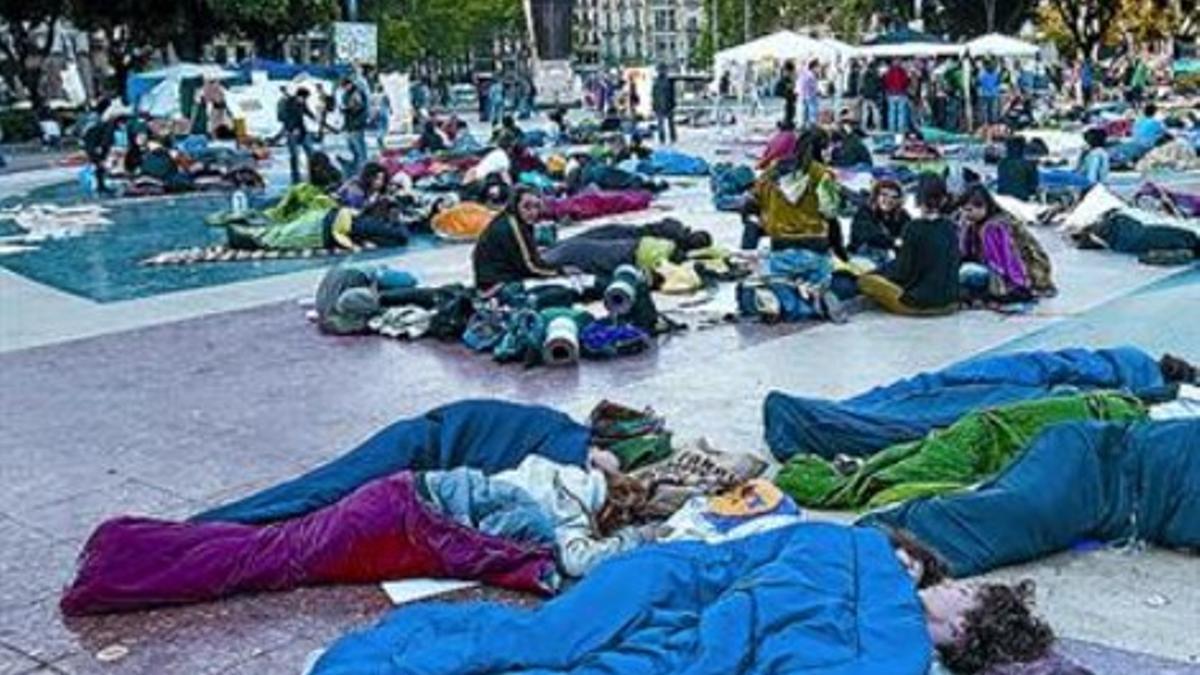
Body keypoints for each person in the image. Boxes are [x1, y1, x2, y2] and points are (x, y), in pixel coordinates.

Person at [857, 173, 960, 316]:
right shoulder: (951, 227)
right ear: (943, 200)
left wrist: (877, 273)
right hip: (951, 302)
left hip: (920, 304)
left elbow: (902, 271)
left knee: (865, 281)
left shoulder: (913, 228)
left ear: (917, 199)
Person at [742, 128, 844, 256]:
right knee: (833, 222)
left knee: (752, 219)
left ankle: (746, 255)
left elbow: (751, 202)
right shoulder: (822, 174)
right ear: (822, 150)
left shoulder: (773, 170)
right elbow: (830, 211)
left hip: (778, 240)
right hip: (813, 242)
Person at [958, 185, 1055, 303]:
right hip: (1012, 273)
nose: (965, 214)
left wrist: (1014, 286)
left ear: (983, 207)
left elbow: (1006, 263)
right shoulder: (977, 224)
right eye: (963, 209)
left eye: (969, 210)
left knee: (965, 273)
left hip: (1017, 276)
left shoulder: (993, 227)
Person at [472, 187, 562, 289]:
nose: (533, 212)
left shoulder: (512, 220)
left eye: (536, 206)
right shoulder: (513, 226)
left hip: (497, 279)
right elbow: (529, 266)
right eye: (526, 207)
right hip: (497, 285)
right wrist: (559, 271)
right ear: (515, 205)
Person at [849, 178, 909, 262]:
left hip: (889, 258)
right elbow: (869, 234)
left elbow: (910, 232)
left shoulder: (902, 215)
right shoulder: (864, 212)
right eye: (884, 195)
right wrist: (894, 242)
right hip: (862, 257)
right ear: (876, 196)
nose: (889, 200)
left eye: (894, 197)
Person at [280, 87, 316, 184]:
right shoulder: (288, 103)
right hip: (292, 132)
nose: (304, 100)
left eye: (305, 99)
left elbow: (306, 110)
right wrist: (292, 129)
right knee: (294, 155)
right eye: (304, 98)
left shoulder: (302, 102)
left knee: (311, 152)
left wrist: (313, 116)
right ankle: (295, 177)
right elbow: (285, 117)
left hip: (302, 130)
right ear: (298, 96)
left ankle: (313, 173)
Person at [339, 76, 370, 177]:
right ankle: (358, 168)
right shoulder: (346, 94)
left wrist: (347, 109)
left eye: (345, 86)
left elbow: (358, 107)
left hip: (357, 124)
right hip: (350, 124)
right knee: (353, 148)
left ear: (349, 84)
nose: (344, 89)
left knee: (360, 149)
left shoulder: (357, 92)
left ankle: (364, 170)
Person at [996, 136, 1039, 201]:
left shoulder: (1001, 163)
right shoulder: (1029, 164)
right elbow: (1033, 187)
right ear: (1022, 149)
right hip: (1021, 199)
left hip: (1002, 199)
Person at [651, 63, 677, 144]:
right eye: (660, 70)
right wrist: (654, 105)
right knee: (661, 124)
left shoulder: (669, 81)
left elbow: (672, 94)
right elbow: (653, 94)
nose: (661, 71)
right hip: (659, 106)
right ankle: (662, 139)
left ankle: (673, 138)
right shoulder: (655, 82)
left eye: (663, 69)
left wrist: (673, 104)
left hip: (668, 105)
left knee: (670, 124)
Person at [883, 59, 911, 133]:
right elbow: (906, 81)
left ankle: (891, 129)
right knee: (901, 112)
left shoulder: (889, 72)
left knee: (891, 112)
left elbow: (886, 82)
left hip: (891, 93)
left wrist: (888, 90)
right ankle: (900, 129)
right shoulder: (903, 72)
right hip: (901, 93)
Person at [977, 60, 1002, 127]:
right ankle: (988, 124)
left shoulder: (984, 73)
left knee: (989, 111)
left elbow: (978, 82)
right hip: (988, 95)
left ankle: (989, 125)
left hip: (989, 94)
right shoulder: (994, 74)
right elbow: (998, 83)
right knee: (989, 111)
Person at [860, 59, 883, 131]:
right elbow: (879, 85)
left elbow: (862, 85)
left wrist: (862, 93)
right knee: (875, 112)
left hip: (865, 95)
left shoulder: (865, 75)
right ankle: (877, 126)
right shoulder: (876, 75)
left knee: (865, 112)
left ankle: (863, 126)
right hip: (873, 96)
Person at [797, 59, 820, 127]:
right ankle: (810, 126)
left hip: (805, 96)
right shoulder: (810, 75)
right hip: (809, 96)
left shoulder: (806, 73)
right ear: (813, 67)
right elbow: (810, 86)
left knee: (805, 113)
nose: (819, 68)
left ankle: (804, 125)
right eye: (818, 66)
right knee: (811, 113)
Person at [779, 61, 798, 128]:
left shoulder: (788, 79)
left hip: (790, 100)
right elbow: (780, 92)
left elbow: (792, 89)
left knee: (791, 112)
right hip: (787, 100)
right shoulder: (783, 80)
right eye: (791, 72)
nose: (792, 74)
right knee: (788, 112)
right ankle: (785, 124)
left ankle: (787, 123)